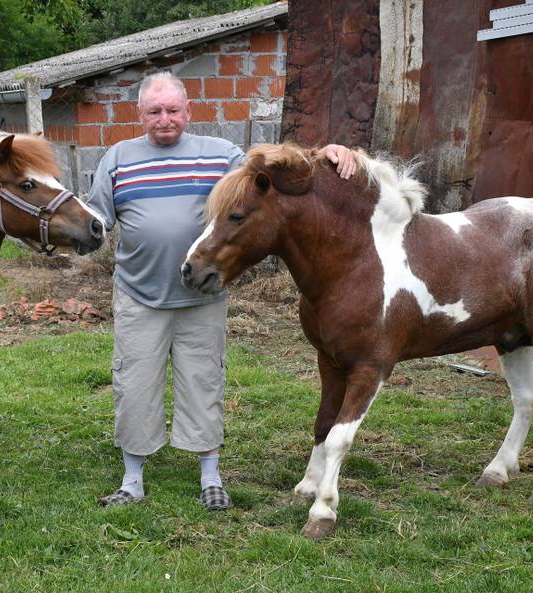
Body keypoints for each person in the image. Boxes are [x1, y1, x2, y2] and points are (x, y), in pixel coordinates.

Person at [87, 72, 357, 510]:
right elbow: (97, 218)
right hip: (139, 294)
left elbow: (275, 168)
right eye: (154, 111)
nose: (164, 119)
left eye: (173, 110)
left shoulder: (220, 155)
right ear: (139, 114)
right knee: (134, 385)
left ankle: (210, 476)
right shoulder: (118, 158)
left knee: (204, 381)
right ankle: (132, 479)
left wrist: (322, 154)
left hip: (202, 296)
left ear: (188, 110)